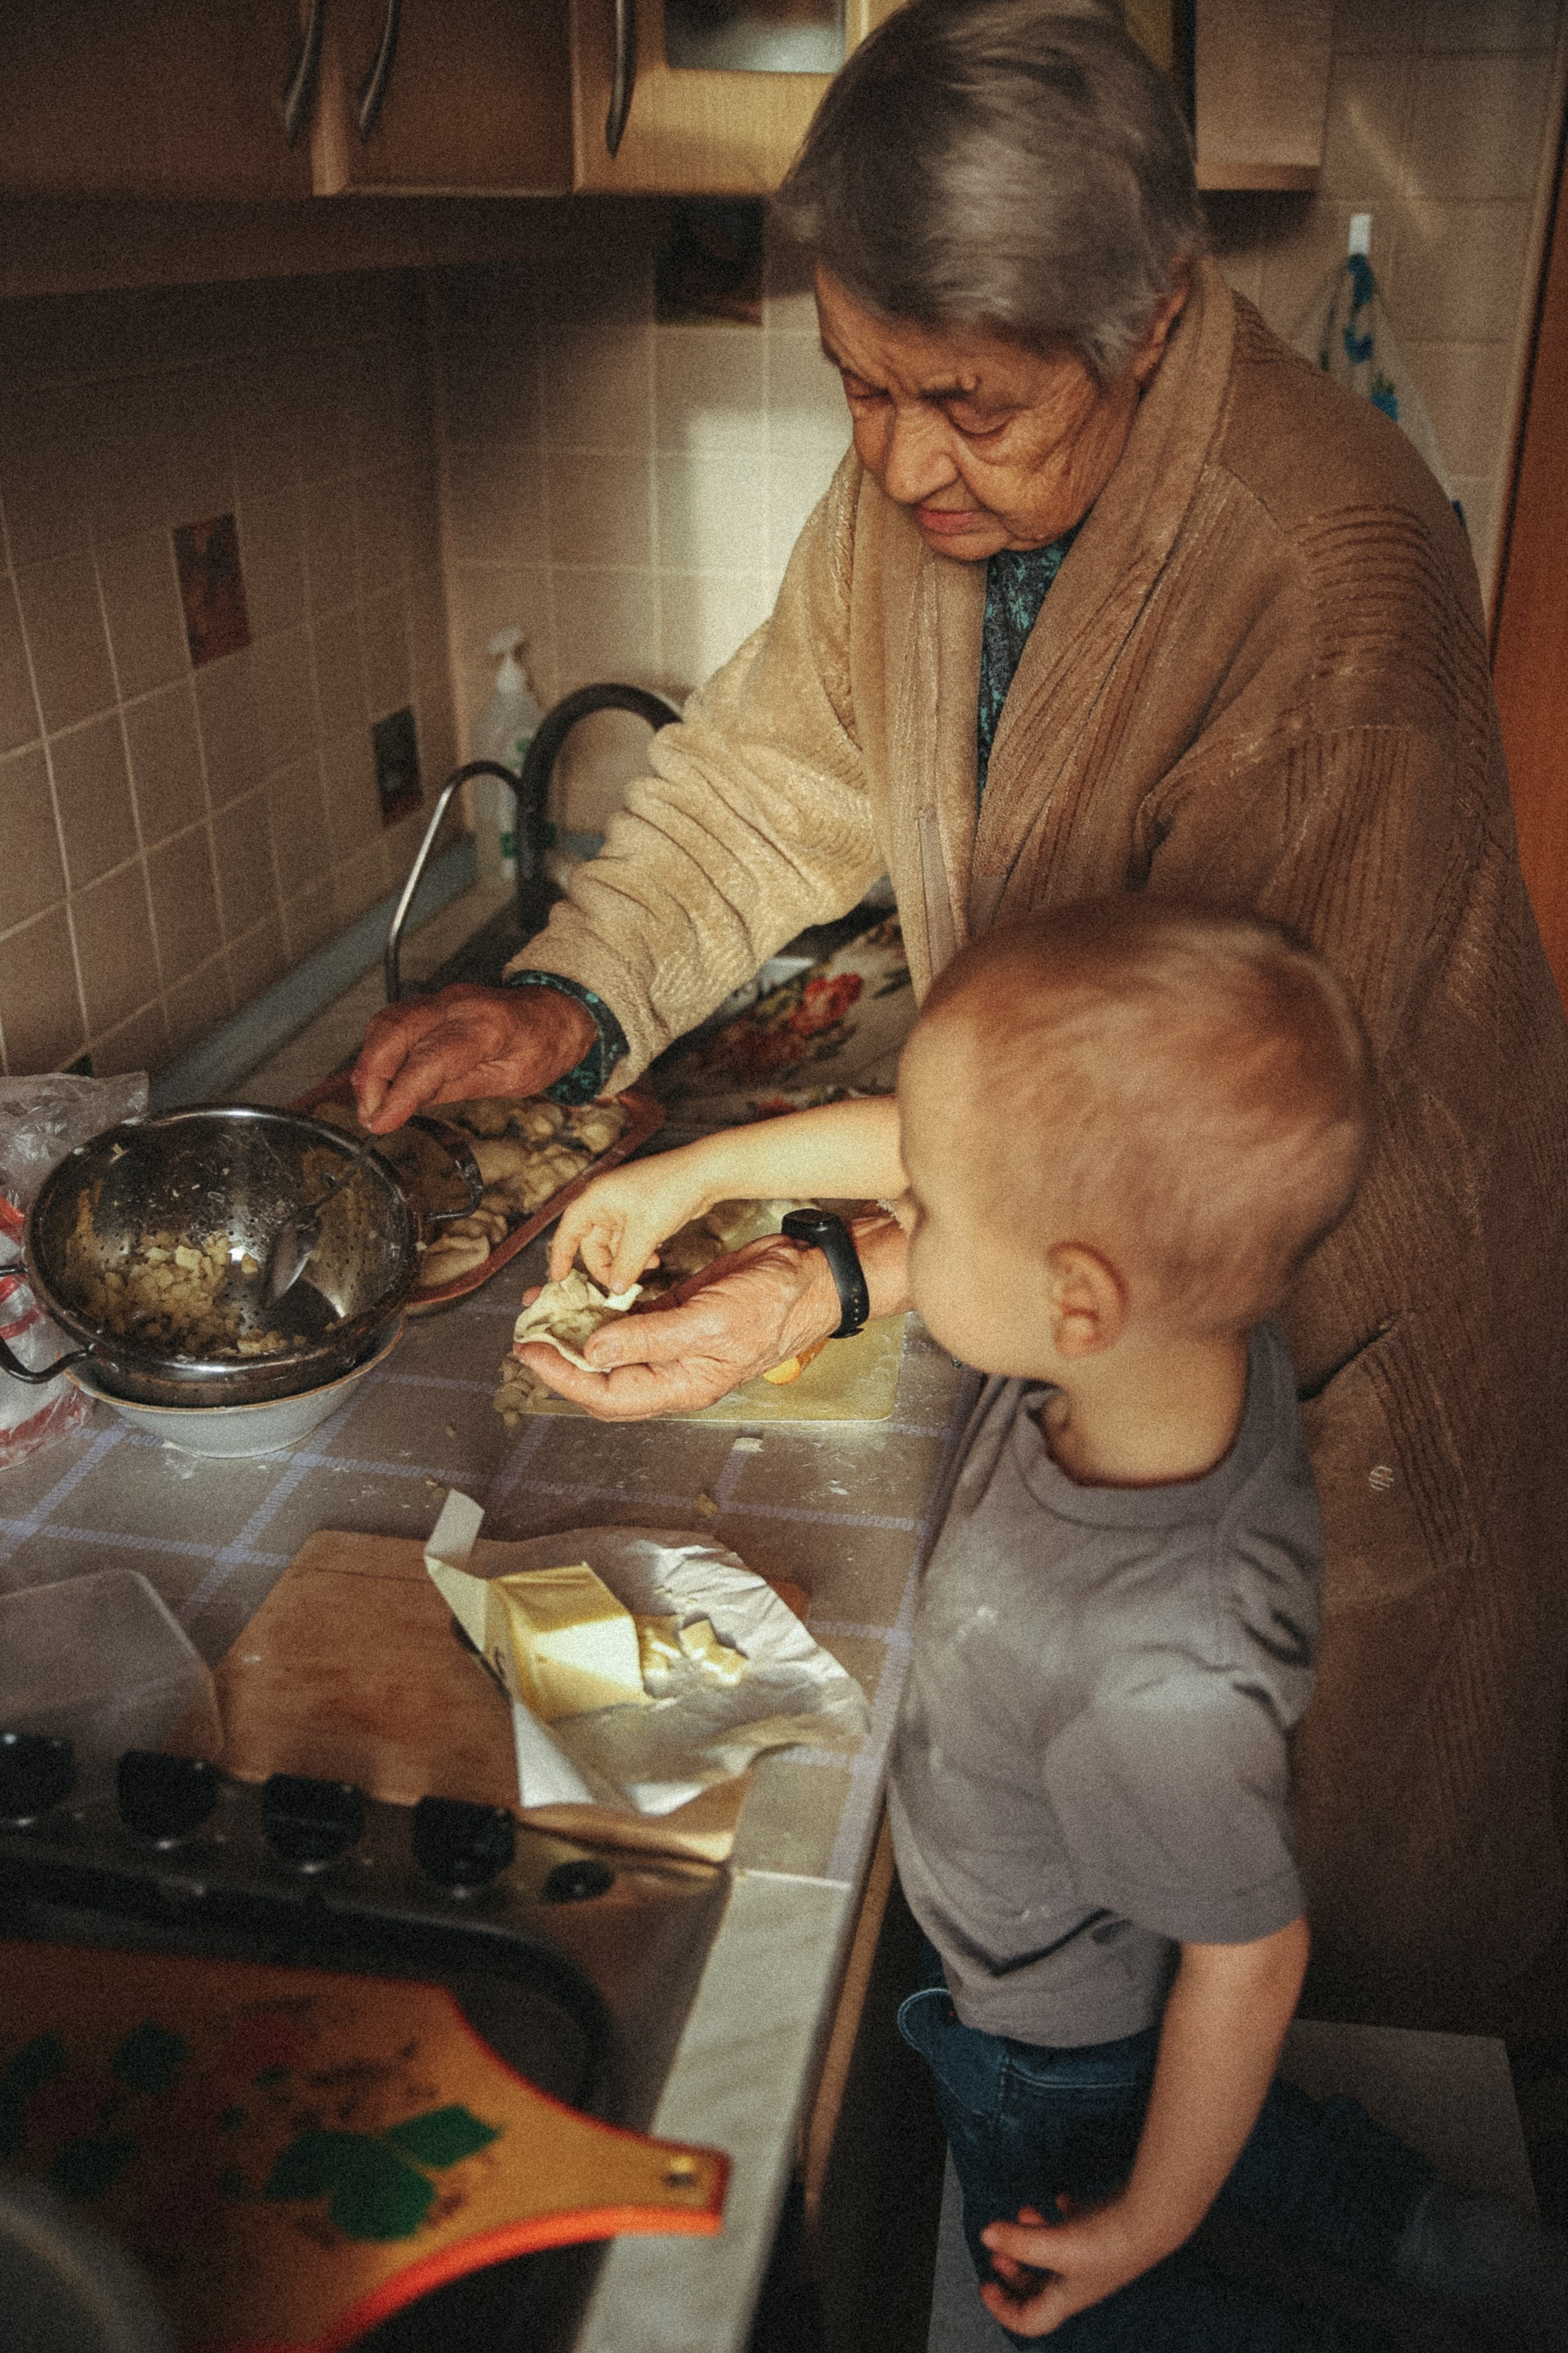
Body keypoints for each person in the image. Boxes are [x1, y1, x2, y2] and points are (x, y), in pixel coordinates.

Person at [354, 1, 1568, 2021]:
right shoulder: (931, 492)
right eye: (855, 388)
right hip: (1087, 1265)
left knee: (1315, 1965)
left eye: (969, 405)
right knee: (1101, 1943)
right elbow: (766, 769)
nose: (903, 460)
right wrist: (568, 994)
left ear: (1153, 316)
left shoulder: (1323, 575)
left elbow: (1166, 1132)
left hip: (1321, 1346)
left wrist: (815, 1278)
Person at [543, 900, 1568, 2350]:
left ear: (1075, 1298)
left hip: (1056, 2039)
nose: (909, 1223)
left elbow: (1249, 1958)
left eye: (937, 1218)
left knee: (1082, 2299)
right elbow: (932, 1142)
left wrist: (1141, 2222)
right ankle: (1446, 2240)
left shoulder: (1165, 1665)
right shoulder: (1186, 1339)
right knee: (1241, 2127)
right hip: (1110, 1970)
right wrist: (702, 1171)